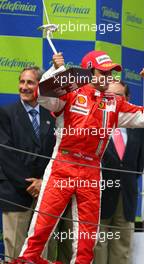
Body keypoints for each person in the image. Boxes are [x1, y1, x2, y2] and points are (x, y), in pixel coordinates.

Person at [13, 50, 144, 264]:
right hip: (63, 164)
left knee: (88, 231)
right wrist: (57, 71)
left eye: (111, 72)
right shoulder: (70, 92)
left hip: (92, 169)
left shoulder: (115, 103)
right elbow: (43, 97)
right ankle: (28, 259)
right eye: (104, 72)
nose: (109, 76)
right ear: (89, 72)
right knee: (44, 220)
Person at [0, 66, 56, 261]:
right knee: (14, 252)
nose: (24, 87)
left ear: (40, 86)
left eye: (30, 82)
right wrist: (29, 184)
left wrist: (43, 182)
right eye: (22, 82)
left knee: (41, 252)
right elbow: (5, 154)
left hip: (44, 194)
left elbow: (55, 153)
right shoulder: (5, 113)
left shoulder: (52, 115)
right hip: (15, 193)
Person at [93, 82, 144, 264]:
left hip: (126, 197)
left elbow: (138, 165)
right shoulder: (94, 122)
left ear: (127, 99)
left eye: (118, 96)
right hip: (99, 196)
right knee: (97, 246)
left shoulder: (137, 127)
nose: (113, 100)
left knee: (122, 246)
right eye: (109, 96)